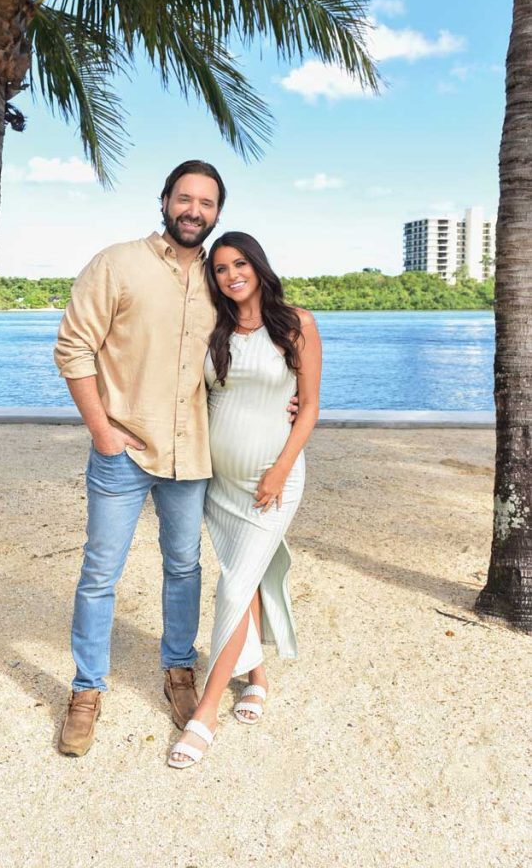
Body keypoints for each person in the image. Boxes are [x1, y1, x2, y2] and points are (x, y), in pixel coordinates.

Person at [53, 160, 225, 756]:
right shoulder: (117, 263)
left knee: (184, 568)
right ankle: (85, 690)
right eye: (185, 198)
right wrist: (101, 429)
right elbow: (73, 348)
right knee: (101, 574)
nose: (194, 211)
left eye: (206, 203)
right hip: (122, 450)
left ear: (217, 214)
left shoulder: (220, 279)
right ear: (164, 200)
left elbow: (256, 344)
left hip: (192, 456)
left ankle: (179, 670)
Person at [168, 232, 321, 769]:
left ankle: (206, 712)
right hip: (219, 483)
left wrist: (279, 470)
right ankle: (256, 677)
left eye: (240, 264)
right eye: (222, 269)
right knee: (247, 576)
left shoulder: (296, 323)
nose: (232, 274)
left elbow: (308, 410)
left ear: (257, 266)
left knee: (233, 585)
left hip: (271, 481)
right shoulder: (217, 330)